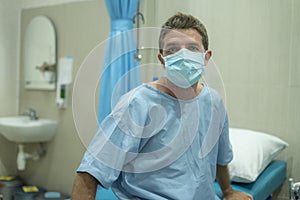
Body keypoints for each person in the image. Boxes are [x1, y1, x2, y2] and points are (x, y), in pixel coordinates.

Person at [71, 12, 253, 200]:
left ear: (206, 57)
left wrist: (228, 192)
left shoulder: (214, 102)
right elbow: (89, 173)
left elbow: (220, 159)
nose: (183, 56)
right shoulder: (138, 103)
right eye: (172, 50)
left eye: (192, 48)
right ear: (162, 59)